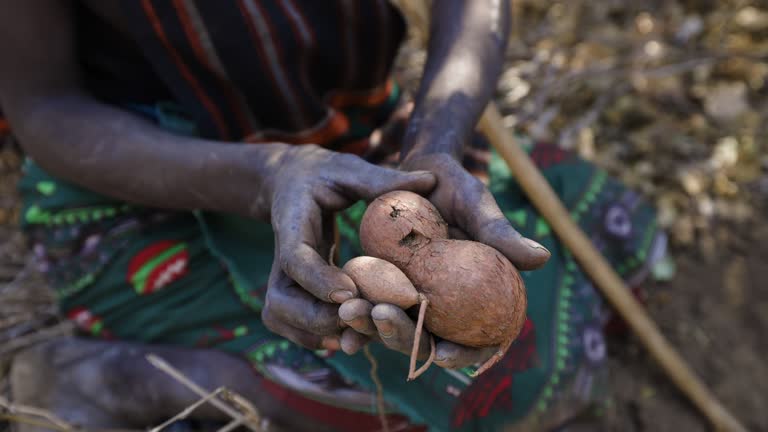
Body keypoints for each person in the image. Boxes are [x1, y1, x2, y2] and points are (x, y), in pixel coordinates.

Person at [0, 1, 665, 431]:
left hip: (362, 139)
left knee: (616, 226)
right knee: (437, 392)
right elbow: (43, 107)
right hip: (156, 184)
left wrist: (436, 143)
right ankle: (118, 380)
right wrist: (264, 178)